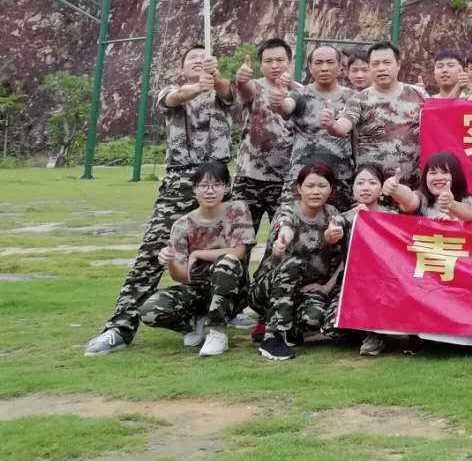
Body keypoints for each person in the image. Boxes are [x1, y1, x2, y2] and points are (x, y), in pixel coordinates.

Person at [86, 45, 235, 356]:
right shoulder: (172, 90)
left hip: (219, 181)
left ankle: (216, 316)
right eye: (192, 59)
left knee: (226, 253)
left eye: (204, 58)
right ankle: (120, 326)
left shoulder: (221, 91)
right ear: (182, 68)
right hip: (180, 182)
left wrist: (216, 79)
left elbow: (230, 94)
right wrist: (196, 87)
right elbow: (174, 98)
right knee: (153, 252)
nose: (199, 61)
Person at [137, 161, 254, 357]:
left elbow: (238, 252)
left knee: (227, 262)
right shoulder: (182, 225)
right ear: (194, 189)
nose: (210, 191)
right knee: (150, 310)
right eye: (203, 185)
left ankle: (217, 331)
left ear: (227, 187)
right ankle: (194, 325)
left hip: (233, 290)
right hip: (197, 289)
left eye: (216, 185)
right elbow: (182, 277)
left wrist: (197, 254)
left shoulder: (237, 209)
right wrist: (170, 261)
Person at [251, 162, 347, 361]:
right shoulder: (287, 211)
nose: (315, 191)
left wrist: (326, 288)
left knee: (314, 317)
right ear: (299, 188)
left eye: (322, 186)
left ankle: (288, 326)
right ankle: (273, 337)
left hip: (306, 291)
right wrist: (282, 241)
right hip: (268, 289)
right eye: (310, 186)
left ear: (331, 189)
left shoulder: (332, 214)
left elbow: (343, 256)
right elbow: (285, 226)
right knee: (293, 263)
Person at [232, 38, 300, 236]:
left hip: (286, 179)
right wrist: (240, 80)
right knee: (240, 237)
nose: (275, 65)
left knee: (282, 238)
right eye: (268, 61)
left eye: (280, 60)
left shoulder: (301, 92)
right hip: (250, 177)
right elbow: (244, 90)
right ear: (260, 65)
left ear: (289, 62)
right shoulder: (254, 87)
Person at [329, 162, 391, 356]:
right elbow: (332, 232)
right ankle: (363, 330)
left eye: (372, 182)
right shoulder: (345, 217)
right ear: (353, 188)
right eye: (360, 183)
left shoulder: (393, 217)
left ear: (381, 188)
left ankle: (375, 335)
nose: (366, 187)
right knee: (331, 327)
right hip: (353, 284)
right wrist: (332, 234)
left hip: (385, 283)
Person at [288, 45, 359, 209]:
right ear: (310, 67)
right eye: (318, 63)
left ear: (340, 66)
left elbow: (356, 139)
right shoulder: (299, 95)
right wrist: (278, 101)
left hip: (341, 177)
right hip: (303, 176)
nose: (324, 68)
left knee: (340, 222)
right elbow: (285, 107)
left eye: (330, 62)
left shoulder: (353, 98)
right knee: (297, 220)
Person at [353, 42, 427, 184]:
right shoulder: (359, 99)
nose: (381, 68)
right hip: (371, 186)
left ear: (398, 65)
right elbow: (342, 127)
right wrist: (331, 124)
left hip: (411, 185)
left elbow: (437, 122)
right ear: (369, 67)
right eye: (375, 64)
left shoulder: (418, 94)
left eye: (387, 63)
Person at [385, 151, 472, 221]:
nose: (438, 178)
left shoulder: (471, 201)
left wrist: (452, 209)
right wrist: (395, 188)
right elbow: (409, 199)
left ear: (456, 176)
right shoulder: (422, 199)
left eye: (445, 172)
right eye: (433, 173)